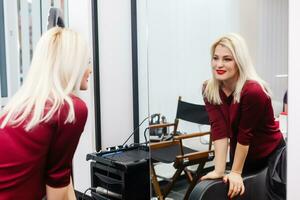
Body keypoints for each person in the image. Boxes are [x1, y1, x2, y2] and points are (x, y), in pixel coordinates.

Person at [0, 27, 92, 200]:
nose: (90, 69)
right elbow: (57, 183)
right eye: (86, 62)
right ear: (72, 65)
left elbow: (62, 173)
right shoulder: (71, 109)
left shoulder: (30, 104)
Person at [200, 33, 285, 199]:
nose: (219, 64)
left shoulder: (253, 90)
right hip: (243, 154)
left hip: (271, 154)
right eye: (215, 58)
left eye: (227, 59)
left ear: (239, 61)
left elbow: (245, 134)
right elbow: (219, 129)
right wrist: (219, 169)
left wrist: (236, 171)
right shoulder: (209, 89)